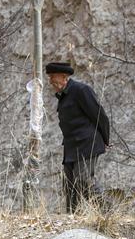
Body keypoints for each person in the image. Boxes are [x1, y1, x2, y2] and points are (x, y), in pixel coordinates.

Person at [45, 61, 110, 213]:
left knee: (83, 179)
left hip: (88, 143)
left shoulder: (81, 90)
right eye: (49, 77)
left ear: (64, 76)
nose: (50, 81)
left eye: (53, 76)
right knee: (70, 185)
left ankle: (107, 213)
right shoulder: (63, 95)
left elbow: (100, 116)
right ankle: (72, 217)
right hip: (71, 146)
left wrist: (106, 139)